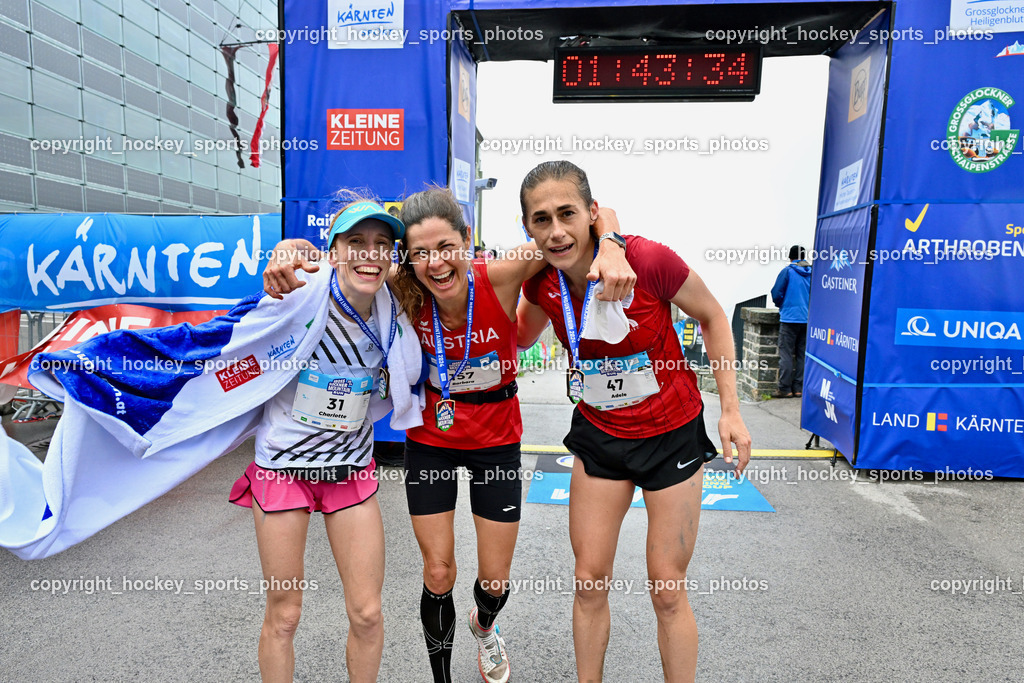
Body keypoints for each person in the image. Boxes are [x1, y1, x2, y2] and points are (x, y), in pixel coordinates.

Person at [262, 187, 633, 683]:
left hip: (496, 439)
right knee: (438, 571)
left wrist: (612, 243)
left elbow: (573, 228)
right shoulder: (402, 287)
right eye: (420, 253)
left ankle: (485, 625)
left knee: (494, 581)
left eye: (445, 248)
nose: (435, 263)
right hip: (432, 438)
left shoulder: (500, 275)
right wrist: (287, 248)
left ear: (466, 240)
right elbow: (340, 259)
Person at [515, 160, 751, 683]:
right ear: (527, 226)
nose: (556, 231)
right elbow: (518, 337)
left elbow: (713, 316)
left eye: (567, 214)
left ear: (592, 213)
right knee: (588, 581)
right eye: (541, 219)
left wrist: (731, 410)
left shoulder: (647, 259)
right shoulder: (543, 283)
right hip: (601, 436)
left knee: (667, 588)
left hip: (672, 436)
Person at [231, 198, 415, 683]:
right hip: (283, 470)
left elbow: (448, 263)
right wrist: (286, 250)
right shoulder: (298, 295)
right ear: (332, 252)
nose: (369, 254)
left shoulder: (396, 303)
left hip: (349, 469)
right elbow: (235, 346)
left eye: (381, 244)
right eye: (356, 242)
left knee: (368, 612)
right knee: (285, 614)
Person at [770, 245, 811, 398]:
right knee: (802, 355)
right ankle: (798, 388)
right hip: (807, 319)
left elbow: (776, 293)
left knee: (786, 354)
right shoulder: (813, 272)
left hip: (789, 318)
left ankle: (785, 388)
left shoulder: (787, 271)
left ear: (790, 257)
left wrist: (782, 304)